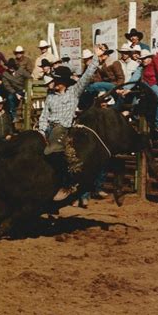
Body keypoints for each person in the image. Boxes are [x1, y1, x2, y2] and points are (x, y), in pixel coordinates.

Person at [38, 45, 105, 201]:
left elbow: (87, 76)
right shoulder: (50, 97)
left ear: (62, 81)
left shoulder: (74, 91)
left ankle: (66, 184)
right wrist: (41, 131)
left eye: (56, 80)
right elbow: (44, 115)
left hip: (64, 129)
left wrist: (96, 57)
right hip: (49, 129)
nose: (53, 82)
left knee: (54, 151)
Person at [1, 58, 31, 122]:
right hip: (14, 91)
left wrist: (27, 89)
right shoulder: (5, 74)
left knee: (27, 99)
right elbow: (7, 86)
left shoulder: (21, 71)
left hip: (23, 89)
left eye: (12, 66)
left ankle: (27, 115)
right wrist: (15, 93)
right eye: (9, 66)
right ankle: (14, 116)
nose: (11, 68)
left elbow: (29, 78)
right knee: (10, 97)